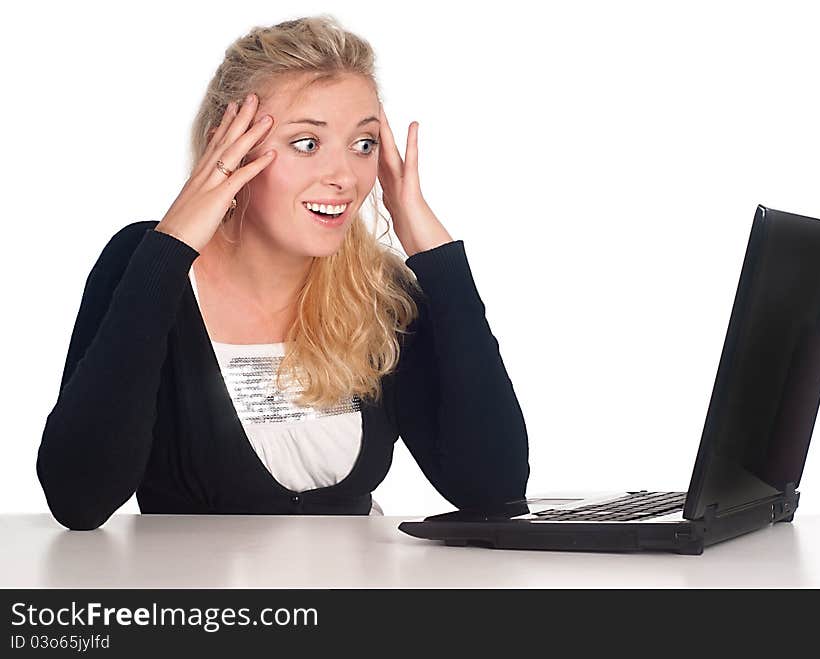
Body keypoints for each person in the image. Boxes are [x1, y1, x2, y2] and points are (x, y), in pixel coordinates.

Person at [36, 15, 529, 531]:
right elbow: (79, 500)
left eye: (363, 144)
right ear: (227, 147)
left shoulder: (380, 292)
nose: (343, 177)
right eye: (307, 143)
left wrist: (437, 255)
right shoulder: (146, 263)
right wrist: (171, 246)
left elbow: (494, 491)